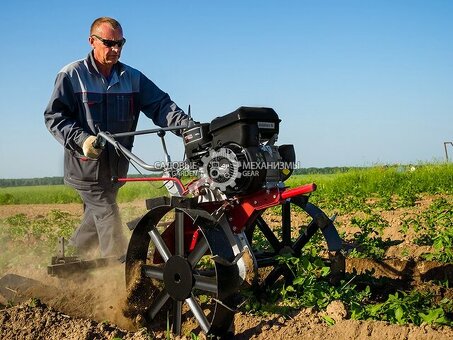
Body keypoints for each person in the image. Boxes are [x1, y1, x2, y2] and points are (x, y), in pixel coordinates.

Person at [44, 17, 189, 259]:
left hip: (116, 167)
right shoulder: (72, 75)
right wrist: (82, 140)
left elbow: (161, 107)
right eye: (109, 43)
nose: (116, 50)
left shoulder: (132, 78)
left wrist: (188, 129)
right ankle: (119, 279)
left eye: (120, 44)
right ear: (92, 41)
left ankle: (68, 262)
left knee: (96, 216)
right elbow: (55, 117)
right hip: (86, 166)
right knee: (108, 215)